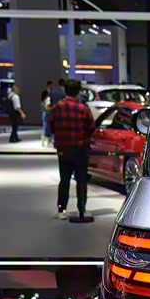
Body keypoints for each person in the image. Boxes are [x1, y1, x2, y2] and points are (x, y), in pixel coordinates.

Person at [48, 79, 96, 219]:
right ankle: (82, 209)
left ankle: (62, 210)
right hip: (80, 149)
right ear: (78, 91)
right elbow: (91, 127)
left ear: (65, 90)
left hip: (63, 149)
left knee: (64, 180)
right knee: (81, 180)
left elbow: (51, 126)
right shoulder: (83, 108)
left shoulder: (57, 107)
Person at [40, 81, 53, 147]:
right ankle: (45, 142)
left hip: (45, 113)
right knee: (46, 128)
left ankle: (46, 142)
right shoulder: (47, 96)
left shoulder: (48, 95)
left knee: (46, 128)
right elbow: (46, 106)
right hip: (47, 113)